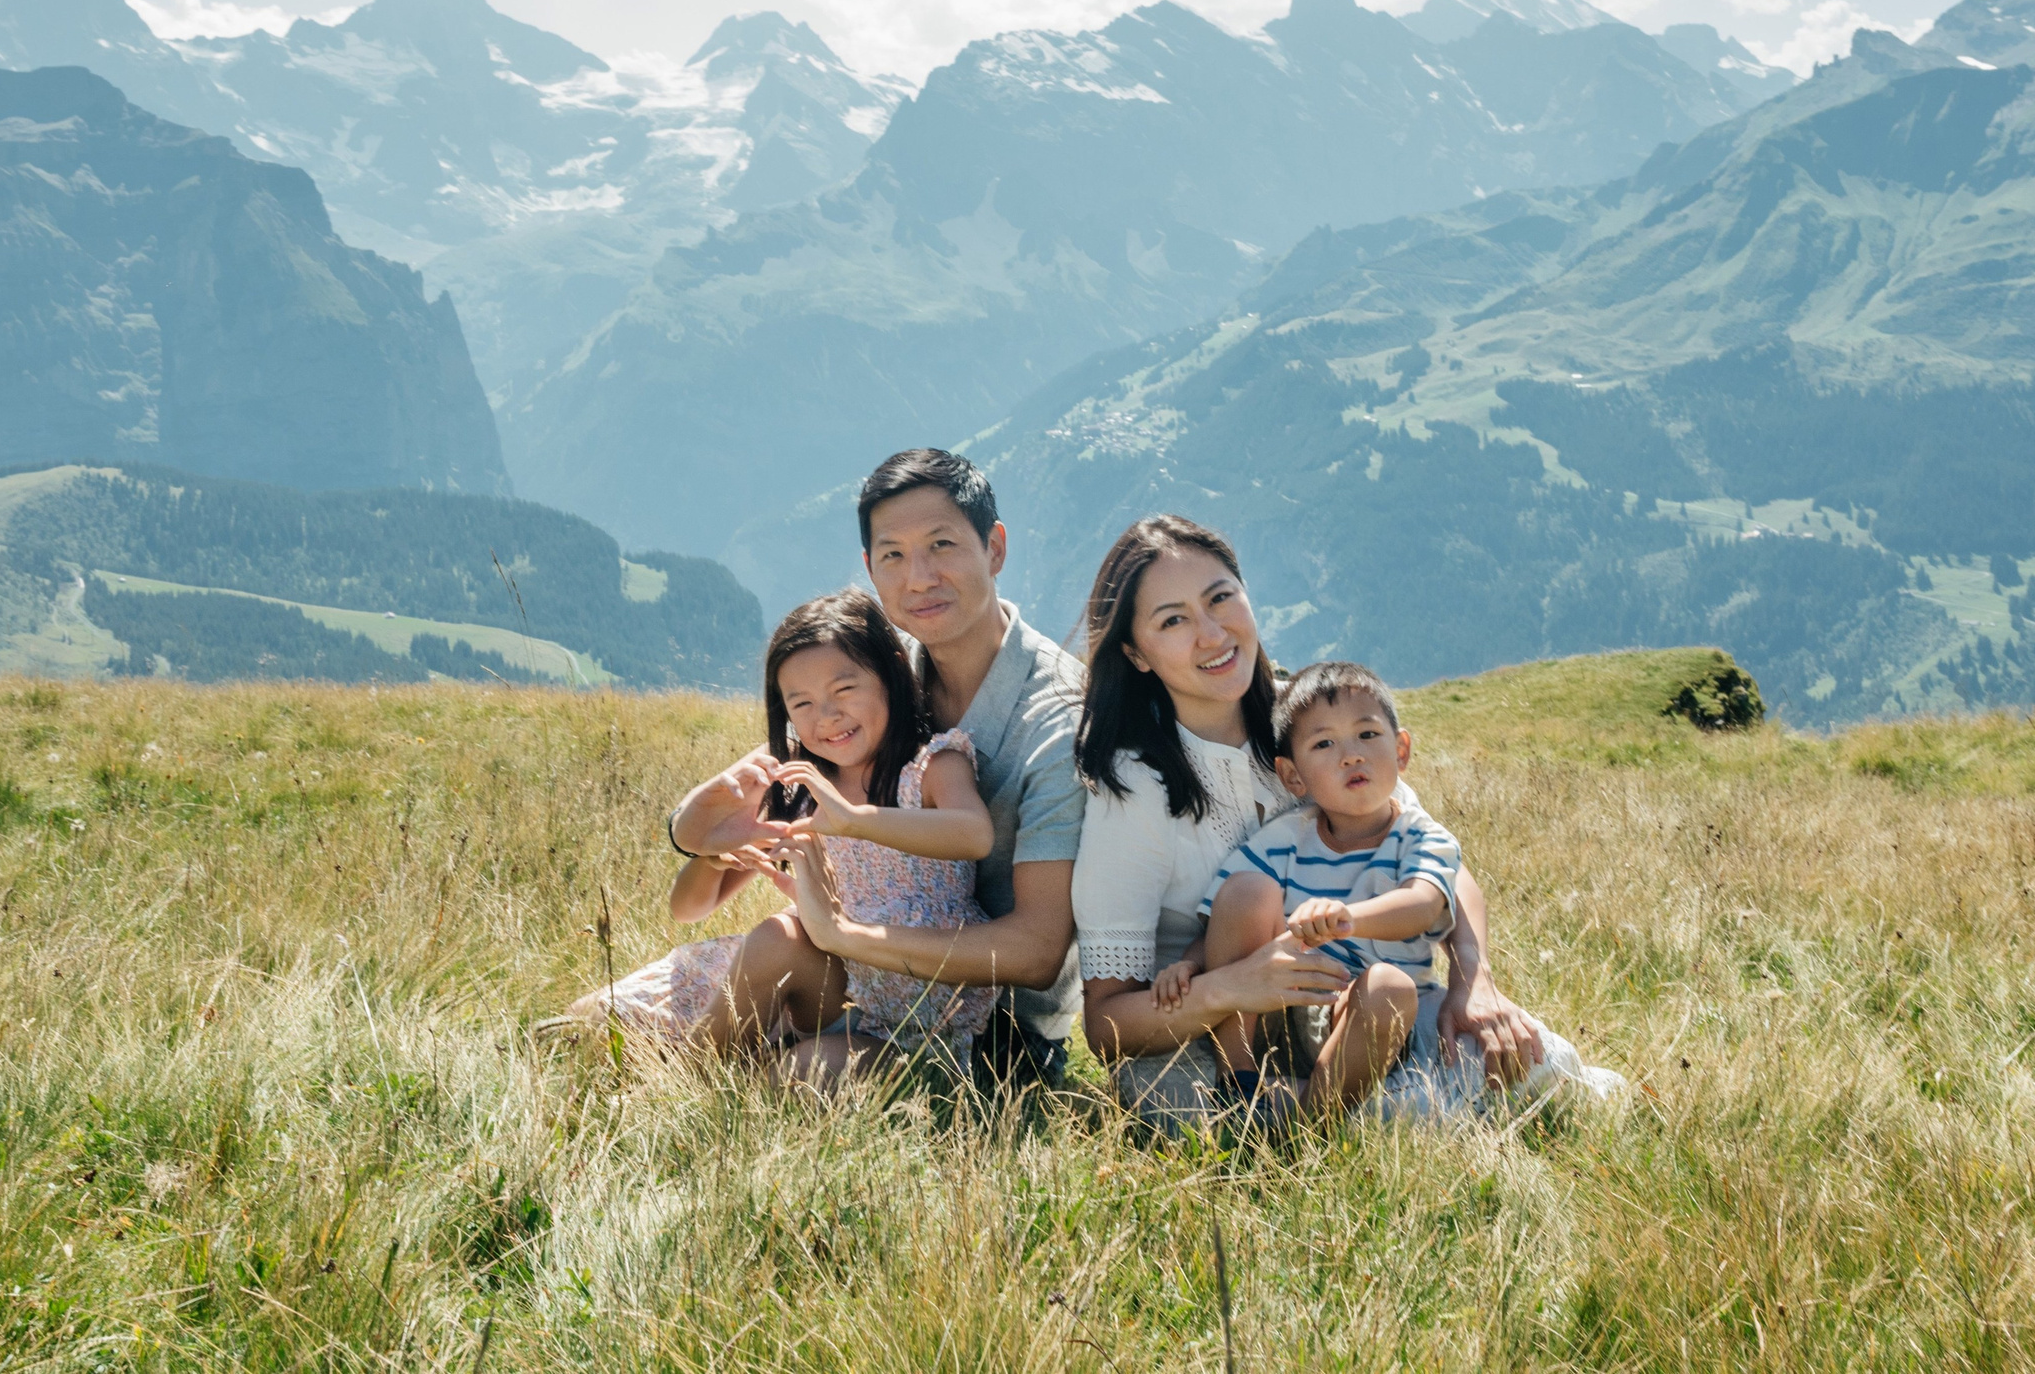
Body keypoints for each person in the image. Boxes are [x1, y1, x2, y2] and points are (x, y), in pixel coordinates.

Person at [1069, 515, 1583, 1131]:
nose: (1211, 633)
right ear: (1136, 653)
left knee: (1538, 1067)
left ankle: (1344, 1110)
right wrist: (1231, 987)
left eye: (1220, 598)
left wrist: (1476, 981)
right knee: (1201, 1124)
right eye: (1173, 620)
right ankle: (1340, 1115)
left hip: (1357, 1004)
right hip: (1207, 1033)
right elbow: (1105, 1027)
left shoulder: (1311, 719)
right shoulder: (1134, 788)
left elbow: (1432, 853)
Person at [667, 449, 1086, 1095]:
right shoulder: (876, 676)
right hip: (860, 980)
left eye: (942, 544)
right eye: (892, 554)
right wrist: (690, 832)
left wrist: (849, 934)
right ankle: (678, 1090)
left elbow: (1035, 953)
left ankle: (766, 1062)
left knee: (799, 1072)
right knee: (685, 986)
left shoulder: (1057, 719)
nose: (919, 577)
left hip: (993, 1030)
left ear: (994, 548)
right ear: (869, 568)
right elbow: (756, 816)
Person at [562, 590, 998, 1081]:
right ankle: (701, 1066)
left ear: (892, 673)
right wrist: (715, 858)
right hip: (825, 987)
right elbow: (687, 909)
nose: (826, 716)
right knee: (580, 1029)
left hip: (919, 1014)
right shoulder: (803, 779)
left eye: (845, 689)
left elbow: (974, 833)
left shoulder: (932, 764)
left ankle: (685, 1087)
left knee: (793, 1075)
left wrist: (854, 818)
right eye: (802, 703)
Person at [1187, 661, 1615, 1120]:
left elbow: (1423, 902)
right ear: (1294, 777)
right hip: (1305, 1006)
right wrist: (1190, 966)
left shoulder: (1423, 837)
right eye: (1324, 743)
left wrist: (1348, 918)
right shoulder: (1284, 839)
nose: (1351, 755)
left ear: (1402, 748)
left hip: (1397, 1017)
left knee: (1527, 1053)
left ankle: (1306, 1114)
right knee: (1246, 889)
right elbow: (1231, 914)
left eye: (1367, 735)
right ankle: (1239, 1083)